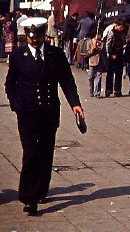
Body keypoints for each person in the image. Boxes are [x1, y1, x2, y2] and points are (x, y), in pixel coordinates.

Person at [5, 19, 84, 216]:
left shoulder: (55, 54)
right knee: (30, 153)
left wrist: (75, 104)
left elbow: (67, 81)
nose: (34, 41)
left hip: (49, 111)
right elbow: (10, 85)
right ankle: (28, 197)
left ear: (43, 36)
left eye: (37, 37)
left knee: (46, 153)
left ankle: (41, 191)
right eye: (31, 38)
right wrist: (17, 105)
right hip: (28, 114)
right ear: (27, 36)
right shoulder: (18, 56)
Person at [104, 18, 126, 97]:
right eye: (121, 27)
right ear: (116, 25)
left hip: (119, 54)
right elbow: (108, 44)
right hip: (112, 54)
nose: (122, 29)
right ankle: (108, 90)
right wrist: (110, 54)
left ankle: (117, 90)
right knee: (110, 73)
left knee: (118, 73)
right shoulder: (111, 33)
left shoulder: (121, 33)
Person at [85, 32, 105, 98]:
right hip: (92, 61)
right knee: (90, 77)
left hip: (100, 62)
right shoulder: (90, 42)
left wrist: (98, 46)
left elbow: (102, 50)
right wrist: (92, 49)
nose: (101, 36)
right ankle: (91, 90)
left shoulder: (101, 43)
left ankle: (97, 92)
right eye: (99, 35)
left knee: (98, 77)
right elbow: (87, 53)